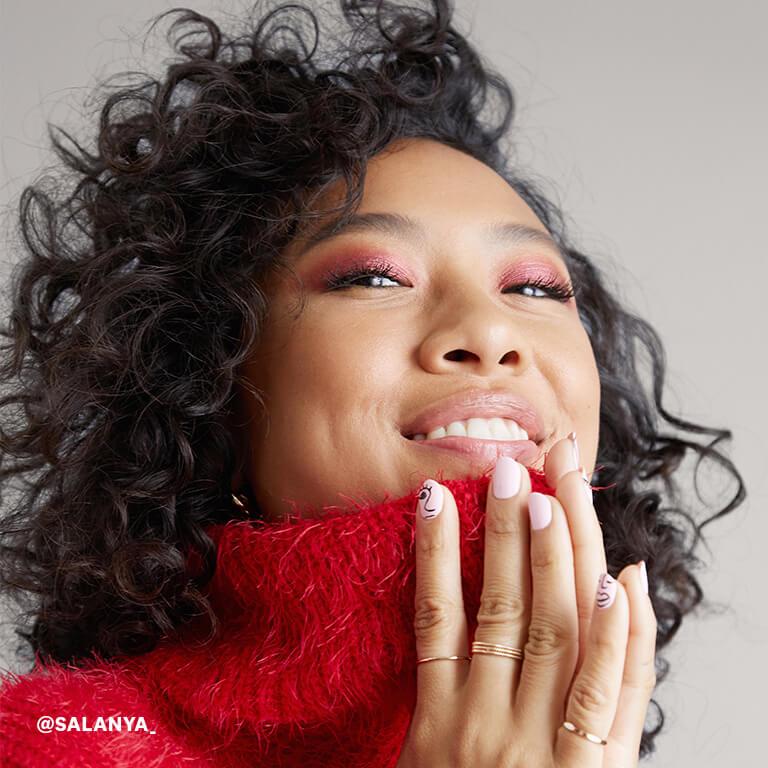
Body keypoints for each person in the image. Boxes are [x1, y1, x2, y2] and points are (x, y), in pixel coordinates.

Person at [0, 1, 744, 766]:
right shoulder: (57, 742)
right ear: (213, 388)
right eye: (374, 277)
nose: (490, 333)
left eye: (532, 288)